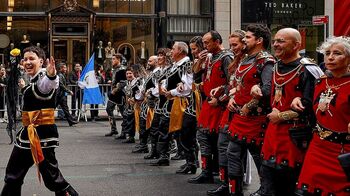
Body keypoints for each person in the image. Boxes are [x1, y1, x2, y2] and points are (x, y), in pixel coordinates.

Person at [0, 46, 78, 195]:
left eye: (32, 59)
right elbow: (36, 96)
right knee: (15, 174)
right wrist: (24, 89)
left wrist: (51, 74)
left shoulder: (43, 77)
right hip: (29, 135)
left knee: (52, 178)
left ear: (41, 61)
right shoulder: (35, 79)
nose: (27, 62)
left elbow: (48, 85)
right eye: (25, 59)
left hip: (40, 136)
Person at [258, 28, 323, 196]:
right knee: (267, 185)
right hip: (272, 136)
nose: (276, 45)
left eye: (281, 41)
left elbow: (313, 106)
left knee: (288, 186)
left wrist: (282, 115)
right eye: (275, 41)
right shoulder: (275, 66)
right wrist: (255, 88)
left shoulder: (308, 69)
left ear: (296, 45)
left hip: (294, 139)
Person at [295, 36, 350, 195]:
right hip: (318, 147)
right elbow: (311, 108)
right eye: (327, 53)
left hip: (343, 152)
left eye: (337, 53)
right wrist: (297, 99)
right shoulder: (320, 81)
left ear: (348, 58)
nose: (330, 57)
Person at [224, 25, 276, 196]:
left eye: (248, 37)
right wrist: (233, 98)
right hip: (239, 118)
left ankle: (265, 191)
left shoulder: (266, 61)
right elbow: (238, 85)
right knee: (232, 154)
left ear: (259, 40)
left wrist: (249, 105)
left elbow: (268, 89)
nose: (244, 39)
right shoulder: (246, 59)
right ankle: (234, 191)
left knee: (259, 158)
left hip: (256, 119)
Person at [188, 30, 233, 184]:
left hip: (220, 106)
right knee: (203, 138)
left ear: (217, 41)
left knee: (220, 144)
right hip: (208, 103)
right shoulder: (208, 58)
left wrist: (220, 100)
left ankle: (222, 177)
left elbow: (232, 83)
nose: (204, 45)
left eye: (207, 42)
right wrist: (199, 62)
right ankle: (206, 172)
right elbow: (195, 76)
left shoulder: (227, 57)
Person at [207, 30, 247, 196]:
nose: (232, 48)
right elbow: (230, 84)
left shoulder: (258, 62)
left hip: (245, 113)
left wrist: (225, 97)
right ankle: (228, 185)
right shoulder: (235, 60)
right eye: (231, 45)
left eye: (235, 45)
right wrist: (224, 91)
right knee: (225, 148)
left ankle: (239, 186)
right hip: (229, 110)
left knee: (246, 153)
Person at [150, 41, 191, 166]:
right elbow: (166, 81)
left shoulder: (186, 65)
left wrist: (171, 92)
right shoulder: (175, 66)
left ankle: (190, 162)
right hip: (168, 103)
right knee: (163, 129)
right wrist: (162, 87)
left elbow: (187, 86)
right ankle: (163, 156)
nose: (171, 51)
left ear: (180, 51)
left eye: (173, 49)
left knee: (183, 133)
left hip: (180, 103)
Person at [143, 48, 172, 160]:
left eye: (162, 55)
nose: (159, 57)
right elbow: (156, 86)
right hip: (158, 103)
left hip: (168, 102)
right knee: (155, 128)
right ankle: (155, 152)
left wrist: (153, 91)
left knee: (164, 130)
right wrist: (151, 91)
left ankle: (164, 155)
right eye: (158, 55)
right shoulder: (159, 71)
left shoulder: (170, 69)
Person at [132, 55, 158, 153]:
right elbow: (143, 90)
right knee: (143, 125)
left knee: (154, 127)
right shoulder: (149, 75)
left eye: (150, 61)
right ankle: (144, 145)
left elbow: (157, 88)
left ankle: (157, 150)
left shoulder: (157, 73)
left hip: (153, 104)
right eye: (148, 61)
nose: (148, 63)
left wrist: (149, 93)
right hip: (145, 104)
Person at [105, 53, 127, 137]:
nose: (112, 60)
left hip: (120, 93)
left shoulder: (122, 69)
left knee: (123, 113)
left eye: (114, 59)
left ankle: (124, 132)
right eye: (112, 59)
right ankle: (113, 129)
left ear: (119, 59)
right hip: (114, 94)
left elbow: (123, 83)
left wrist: (115, 90)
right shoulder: (114, 69)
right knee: (108, 108)